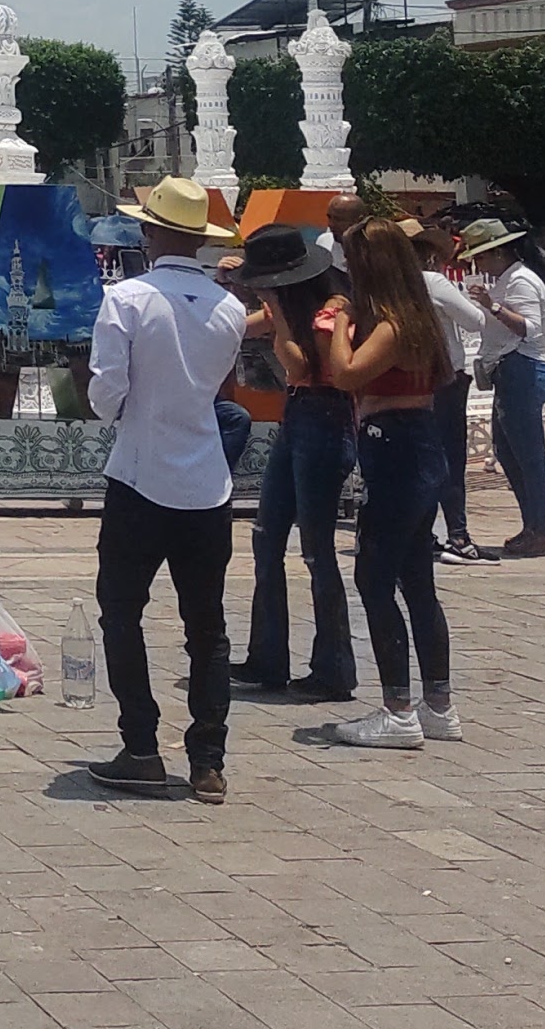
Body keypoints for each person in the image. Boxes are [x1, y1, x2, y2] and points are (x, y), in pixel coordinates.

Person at [84, 178, 245, 803]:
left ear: (150, 234)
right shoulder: (228, 308)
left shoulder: (126, 299)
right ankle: (207, 760)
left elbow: (105, 398)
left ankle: (142, 746)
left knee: (121, 612)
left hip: (139, 475)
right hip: (206, 480)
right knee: (207, 625)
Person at [310, 219, 460, 747]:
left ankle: (398, 710)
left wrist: (342, 324)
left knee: (374, 579)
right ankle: (437, 703)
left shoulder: (393, 323)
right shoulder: (417, 318)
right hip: (413, 446)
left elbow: (347, 374)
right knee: (417, 579)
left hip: (395, 449)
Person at [231, 226, 356, 703]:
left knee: (316, 549)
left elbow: (299, 366)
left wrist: (280, 317)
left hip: (323, 418)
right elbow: (244, 329)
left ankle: (334, 667)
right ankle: (268, 656)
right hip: (301, 417)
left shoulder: (332, 311)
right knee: (267, 536)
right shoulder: (295, 307)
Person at [458, 216, 545, 557]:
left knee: (529, 457)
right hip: (511, 370)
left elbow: (528, 328)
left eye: (480, 256)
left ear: (498, 252)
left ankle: (539, 530)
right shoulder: (508, 279)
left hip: (523, 368)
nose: (478, 264)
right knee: (508, 452)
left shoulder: (520, 282)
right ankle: (532, 525)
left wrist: (492, 306)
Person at [407, 212, 486, 560]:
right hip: (444, 377)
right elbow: (475, 320)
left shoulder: (395, 283)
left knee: (420, 457)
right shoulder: (434, 283)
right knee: (451, 457)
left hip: (410, 377)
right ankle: (457, 533)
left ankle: (423, 532)